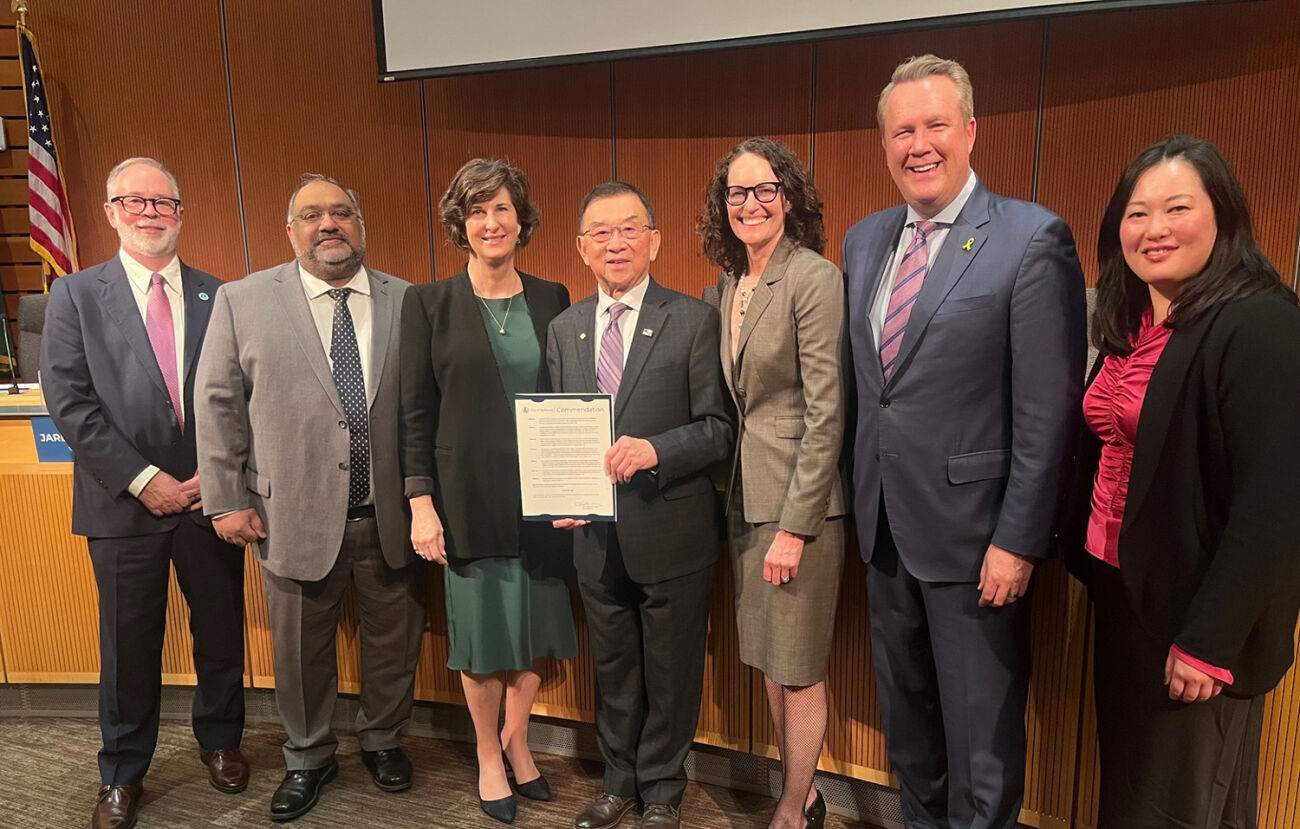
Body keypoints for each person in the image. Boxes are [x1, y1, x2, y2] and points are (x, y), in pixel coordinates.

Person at [842, 55, 1086, 829]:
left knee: (982, 753)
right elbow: (872, 393)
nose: (919, 144)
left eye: (935, 125)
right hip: (885, 533)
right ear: (884, 143)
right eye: (901, 130)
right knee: (909, 736)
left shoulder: (1030, 237)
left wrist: (1018, 541)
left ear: (971, 130)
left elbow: (1047, 415)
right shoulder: (863, 241)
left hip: (978, 545)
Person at [1059, 134, 1300, 827]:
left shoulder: (1261, 323)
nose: (1154, 229)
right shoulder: (1131, 320)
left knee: (1175, 811)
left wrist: (1209, 642)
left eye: (1177, 208)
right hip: (1125, 593)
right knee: (1132, 796)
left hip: (1195, 620)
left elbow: (1274, 505)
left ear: (1223, 215)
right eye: (1137, 213)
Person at [194, 174, 426, 822]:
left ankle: (383, 740)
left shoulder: (409, 300)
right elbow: (217, 403)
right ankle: (308, 755)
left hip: (390, 516)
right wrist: (224, 498)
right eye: (312, 214)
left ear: (361, 224)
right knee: (298, 654)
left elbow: (423, 409)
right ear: (291, 230)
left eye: (342, 212)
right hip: (287, 514)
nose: (329, 223)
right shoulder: (242, 300)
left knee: (395, 644)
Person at [40, 157, 248, 829]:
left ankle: (222, 741)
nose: (150, 213)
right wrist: (143, 479)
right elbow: (70, 402)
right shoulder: (74, 295)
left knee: (220, 632)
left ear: (180, 213)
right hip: (122, 505)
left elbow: (242, 396)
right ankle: (122, 773)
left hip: (208, 498)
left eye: (163, 202)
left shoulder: (222, 295)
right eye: (136, 201)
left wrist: (218, 475)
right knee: (128, 646)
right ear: (111, 212)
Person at [547, 182, 733, 829]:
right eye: (600, 232)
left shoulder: (693, 319)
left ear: (654, 240)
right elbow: (558, 427)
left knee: (672, 670)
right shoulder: (565, 328)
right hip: (595, 538)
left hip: (672, 530)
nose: (615, 243)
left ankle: (662, 789)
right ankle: (617, 780)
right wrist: (560, 492)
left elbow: (718, 429)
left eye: (629, 229)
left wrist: (656, 450)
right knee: (614, 668)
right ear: (581, 247)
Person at [400, 158, 578, 824]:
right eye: (477, 210)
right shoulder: (429, 303)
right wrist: (421, 504)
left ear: (521, 219)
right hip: (466, 497)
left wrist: (576, 486)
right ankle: (485, 752)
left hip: (543, 498)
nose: (491, 221)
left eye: (502, 207)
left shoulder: (553, 297)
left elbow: (570, 398)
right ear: (461, 223)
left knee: (532, 628)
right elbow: (414, 412)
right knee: (482, 635)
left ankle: (518, 741)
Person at [698, 137, 843, 829]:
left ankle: (794, 806)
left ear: (789, 198)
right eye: (737, 192)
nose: (750, 203)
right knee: (768, 659)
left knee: (799, 666)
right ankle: (801, 790)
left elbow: (826, 412)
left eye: (764, 190)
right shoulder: (727, 284)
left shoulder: (812, 276)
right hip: (744, 503)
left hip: (797, 511)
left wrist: (794, 526)